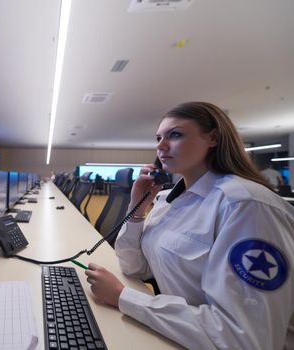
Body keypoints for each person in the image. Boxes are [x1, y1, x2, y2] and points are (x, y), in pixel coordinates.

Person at [85, 102, 294, 349]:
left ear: (213, 138)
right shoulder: (168, 200)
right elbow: (134, 267)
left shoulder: (246, 206)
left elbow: (244, 338)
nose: (160, 147)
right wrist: (137, 208)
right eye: (158, 138)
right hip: (184, 336)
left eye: (175, 135)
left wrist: (123, 297)